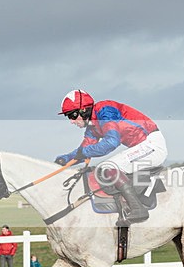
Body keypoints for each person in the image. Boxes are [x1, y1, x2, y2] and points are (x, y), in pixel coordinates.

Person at [54, 89, 168, 225]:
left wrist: (84, 152)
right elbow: (83, 150)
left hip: (152, 145)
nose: (71, 121)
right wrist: (65, 159)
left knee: (107, 167)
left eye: (71, 116)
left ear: (83, 110)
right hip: (142, 147)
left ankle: (138, 209)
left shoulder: (105, 111)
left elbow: (112, 142)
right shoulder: (92, 126)